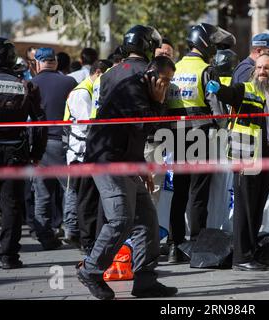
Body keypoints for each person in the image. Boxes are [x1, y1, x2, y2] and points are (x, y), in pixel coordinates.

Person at [77, 56, 178, 300]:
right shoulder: (135, 90)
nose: (166, 86)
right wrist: (159, 102)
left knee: (147, 220)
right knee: (121, 218)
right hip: (108, 159)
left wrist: (142, 167)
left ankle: (145, 280)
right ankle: (91, 270)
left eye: (169, 82)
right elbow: (150, 126)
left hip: (126, 159)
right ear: (152, 75)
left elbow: (135, 134)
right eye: (164, 80)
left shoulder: (141, 89)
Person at [165, 23, 233, 263]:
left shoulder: (174, 68)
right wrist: (225, 129)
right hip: (201, 136)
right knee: (198, 193)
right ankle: (196, 245)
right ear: (204, 43)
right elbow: (216, 107)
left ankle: (174, 246)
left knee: (179, 192)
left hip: (175, 136)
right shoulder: (207, 69)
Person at [207, 54, 269, 271]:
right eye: (259, 67)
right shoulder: (245, 88)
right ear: (253, 69)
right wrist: (216, 87)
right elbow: (229, 93)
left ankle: (250, 254)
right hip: (246, 154)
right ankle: (241, 258)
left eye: (267, 68)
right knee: (245, 207)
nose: (262, 71)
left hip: (266, 151)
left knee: (257, 206)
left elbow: (268, 124)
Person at [0, 37, 48, 269]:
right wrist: (36, 153)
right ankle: (9, 257)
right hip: (16, 153)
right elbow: (40, 123)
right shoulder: (26, 85)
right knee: (11, 206)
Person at [31, 48, 78, 250]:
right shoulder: (69, 82)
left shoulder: (30, 84)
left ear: (38, 64)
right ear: (55, 63)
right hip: (63, 143)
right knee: (69, 188)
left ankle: (45, 235)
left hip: (38, 145)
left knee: (42, 193)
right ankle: (71, 230)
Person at [63, 60, 113, 250]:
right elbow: (88, 125)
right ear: (98, 72)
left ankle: (91, 238)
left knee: (93, 197)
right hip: (82, 154)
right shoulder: (83, 92)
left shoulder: (92, 89)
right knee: (86, 198)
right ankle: (86, 241)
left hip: (92, 151)